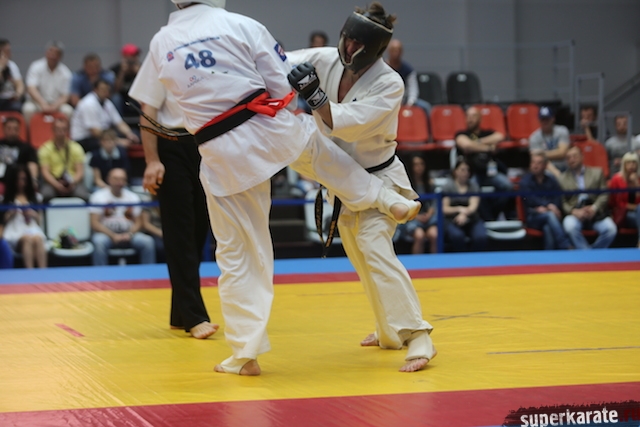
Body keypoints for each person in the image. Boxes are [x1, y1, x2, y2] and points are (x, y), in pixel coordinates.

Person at [140, 0, 420, 376]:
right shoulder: (242, 24)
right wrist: (284, 109)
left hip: (218, 151)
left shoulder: (161, 41)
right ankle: (384, 198)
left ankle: (245, 354)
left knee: (237, 254)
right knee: (314, 149)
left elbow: (152, 101)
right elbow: (279, 78)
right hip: (267, 126)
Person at [287, 2, 437, 372]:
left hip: (379, 177)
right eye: (346, 39)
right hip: (341, 183)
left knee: (375, 248)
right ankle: (388, 331)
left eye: (357, 44)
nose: (349, 48)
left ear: (375, 49)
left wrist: (315, 96)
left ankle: (419, 335)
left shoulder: (390, 83)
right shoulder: (326, 59)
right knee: (361, 259)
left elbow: (350, 125)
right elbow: (278, 61)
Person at [129, 75, 217, 340]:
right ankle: (194, 315)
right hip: (170, 143)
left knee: (199, 229)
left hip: (203, 143)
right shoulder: (161, 56)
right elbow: (148, 110)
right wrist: (152, 160)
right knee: (180, 230)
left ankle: (179, 312)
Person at [455, 105, 512, 221]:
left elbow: (500, 136)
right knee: (474, 190)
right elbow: (466, 145)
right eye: (468, 116)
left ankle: (494, 212)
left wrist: (476, 143)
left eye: (473, 116)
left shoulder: (487, 133)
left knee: (508, 186)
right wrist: (488, 148)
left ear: (480, 118)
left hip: (489, 172)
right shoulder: (462, 134)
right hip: (471, 174)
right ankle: (487, 219)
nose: (470, 119)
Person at [89, 167, 156, 266]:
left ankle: (149, 273)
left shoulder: (133, 197)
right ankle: (100, 274)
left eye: (122, 179)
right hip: (106, 235)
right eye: (116, 179)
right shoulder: (98, 197)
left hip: (129, 235)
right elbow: (95, 223)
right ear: (109, 179)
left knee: (147, 242)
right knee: (99, 242)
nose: (119, 182)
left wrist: (129, 234)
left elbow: (139, 222)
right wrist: (113, 235)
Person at [560, 146, 617, 249]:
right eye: (569, 158)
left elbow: (604, 194)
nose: (572, 159)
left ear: (582, 157)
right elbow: (562, 201)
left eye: (575, 156)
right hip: (576, 212)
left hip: (596, 213)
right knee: (569, 226)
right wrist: (573, 211)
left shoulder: (597, 173)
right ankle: (587, 253)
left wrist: (594, 208)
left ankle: (591, 253)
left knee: (611, 229)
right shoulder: (562, 178)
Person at [519, 150, 572, 250]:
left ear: (545, 165)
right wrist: (549, 206)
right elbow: (531, 200)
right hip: (533, 216)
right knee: (550, 215)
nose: (535, 166)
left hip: (549, 216)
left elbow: (557, 198)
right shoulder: (525, 181)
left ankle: (549, 255)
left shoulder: (551, 180)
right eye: (533, 162)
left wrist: (551, 207)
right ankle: (565, 245)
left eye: (538, 163)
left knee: (547, 227)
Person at [70, 79, 139, 152]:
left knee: (135, 133)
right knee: (117, 148)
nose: (105, 92)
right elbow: (95, 132)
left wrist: (130, 134)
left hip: (103, 136)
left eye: (107, 90)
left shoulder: (107, 103)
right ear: (95, 90)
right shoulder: (88, 104)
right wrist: (118, 141)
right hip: (84, 140)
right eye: (102, 89)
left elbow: (119, 122)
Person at [1, 164, 47, 268]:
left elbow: (40, 220)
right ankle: (30, 273)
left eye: (24, 179)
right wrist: (11, 213)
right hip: (14, 231)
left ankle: (43, 272)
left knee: (38, 239)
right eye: (18, 179)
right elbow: (3, 221)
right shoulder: (6, 199)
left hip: (32, 228)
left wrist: (32, 214)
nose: (21, 182)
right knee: (27, 239)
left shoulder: (35, 198)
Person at [38, 116, 89, 202]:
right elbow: (45, 172)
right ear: (53, 130)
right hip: (53, 182)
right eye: (58, 129)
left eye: (63, 129)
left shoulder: (76, 148)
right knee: (46, 195)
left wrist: (72, 183)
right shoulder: (45, 149)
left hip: (72, 181)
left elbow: (80, 171)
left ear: (67, 131)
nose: (61, 132)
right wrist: (57, 185)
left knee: (83, 196)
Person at [22, 40, 74, 124]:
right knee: (28, 109)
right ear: (46, 53)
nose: (52, 55)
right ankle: (29, 132)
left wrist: (55, 106)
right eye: (50, 51)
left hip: (56, 103)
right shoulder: (36, 66)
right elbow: (31, 88)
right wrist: (43, 104)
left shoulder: (65, 72)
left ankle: (64, 132)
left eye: (56, 53)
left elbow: (65, 95)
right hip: (37, 102)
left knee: (68, 111)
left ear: (60, 56)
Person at [395, 154, 438, 254]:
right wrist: (416, 216)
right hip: (411, 219)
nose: (419, 167)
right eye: (416, 164)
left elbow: (434, 202)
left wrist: (429, 214)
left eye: (422, 164)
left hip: (428, 218)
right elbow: (404, 204)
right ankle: (418, 262)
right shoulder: (405, 186)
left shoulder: (430, 184)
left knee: (434, 235)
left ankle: (435, 262)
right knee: (419, 236)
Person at [442, 159, 487, 252]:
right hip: (452, 220)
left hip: (472, 218)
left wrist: (464, 214)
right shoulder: (448, 187)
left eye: (468, 170)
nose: (465, 173)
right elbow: (445, 208)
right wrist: (459, 209)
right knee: (457, 236)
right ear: (455, 171)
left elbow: (473, 206)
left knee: (481, 237)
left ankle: (475, 258)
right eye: (462, 170)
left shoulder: (473, 186)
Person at [385, 39, 431, 116]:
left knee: (426, 107)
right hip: (387, 101)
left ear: (401, 52)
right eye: (393, 50)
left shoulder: (408, 70)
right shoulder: (383, 69)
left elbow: (413, 90)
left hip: (405, 100)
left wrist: (409, 104)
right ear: (388, 51)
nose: (396, 52)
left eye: (398, 50)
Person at [608, 152, 640, 248]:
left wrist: (636, 184)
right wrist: (635, 207)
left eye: (634, 163)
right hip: (623, 214)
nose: (631, 166)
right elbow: (616, 203)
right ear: (624, 165)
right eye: (628, 163)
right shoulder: (616, 179)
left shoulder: (638, 180)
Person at [528, 106, 569, 178]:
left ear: (553, 119)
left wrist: (542, 153)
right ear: (539, 120)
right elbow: (538, 160)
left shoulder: (562, 130)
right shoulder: (534, 137)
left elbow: (562, 153)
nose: (545, 122)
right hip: (547, 169)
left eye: (547, 119)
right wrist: (557, 173)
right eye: (543, 119)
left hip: (565, 166)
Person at [0, 116, 39, 188]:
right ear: (3, 129)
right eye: (9, 128)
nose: (12, 132)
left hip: (19, 182)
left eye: (15, 129)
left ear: (19, 130)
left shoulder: (26, 148)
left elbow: (32, 164)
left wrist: (33, 180)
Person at [110, 44, 141, 117]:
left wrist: (139, 73)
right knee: (115, 98)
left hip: (136, 96)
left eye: (135, 55)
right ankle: (118, 121)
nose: (134, 58)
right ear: (124, 56)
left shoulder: (141, 68)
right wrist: (122, 73)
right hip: (122, 98)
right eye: (132, 55)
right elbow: (115, 90)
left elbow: (147, 89)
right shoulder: (116, 69)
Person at [0, 39, 25, 112]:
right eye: (8, 51)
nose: (10, 53)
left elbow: (20, 84)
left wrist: (17, 94)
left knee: (17, 107)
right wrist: (1, 67)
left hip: (9, 99)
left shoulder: (12, 65)